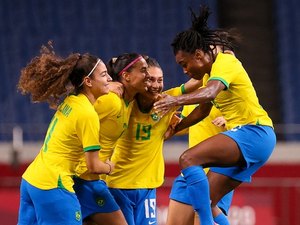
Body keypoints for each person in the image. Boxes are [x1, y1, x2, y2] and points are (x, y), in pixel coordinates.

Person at [153, 5, 276, 225]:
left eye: (184, 64)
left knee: (188, 158)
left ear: (199, 54)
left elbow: (210, 92)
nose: (184, 71)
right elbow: (203, 109)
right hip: (252, 140)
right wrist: (177, 128)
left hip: (254, 132)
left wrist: (175, 100)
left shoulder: (225, 62)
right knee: (207, 202)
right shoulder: (212, 72)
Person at [17, 42, 113, 225]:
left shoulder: (71, 101)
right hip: (53, 185)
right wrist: (109, 167)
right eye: (104, 74)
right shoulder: (88, 115)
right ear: (88, 81)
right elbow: (93, 166)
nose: (109, 78)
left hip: (31, 181)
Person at [73, 53, 150, 225]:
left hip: (93, 179)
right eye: (143, 70)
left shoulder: (129, 102)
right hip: (82, 178)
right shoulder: (111, 101)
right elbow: (79, 113)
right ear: (126, 76)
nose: (148, 75)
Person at [167, 76, 233, 225]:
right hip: (190, 172)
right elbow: (186, 126)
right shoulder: (196, 95)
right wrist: (171, 125)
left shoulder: (233, 97)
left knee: (203, 220)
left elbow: (249, 128)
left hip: (216, 175)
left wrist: (229, 122)